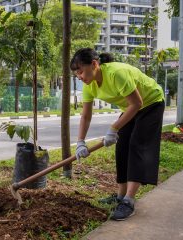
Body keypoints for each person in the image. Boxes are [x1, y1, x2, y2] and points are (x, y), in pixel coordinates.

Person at [71, 48, 165, 221]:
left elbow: (137, 103)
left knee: (137, 146)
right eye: (76, 74)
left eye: (81, 71)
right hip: (131, 109)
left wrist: (113, 128)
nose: (79, 77)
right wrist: (80, 142)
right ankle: (120, 196)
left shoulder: (116, 73)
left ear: (94, 64)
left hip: (151, 103)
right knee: (121, 148)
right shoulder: (89, 85)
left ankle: (128, 201)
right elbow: (86, 115)